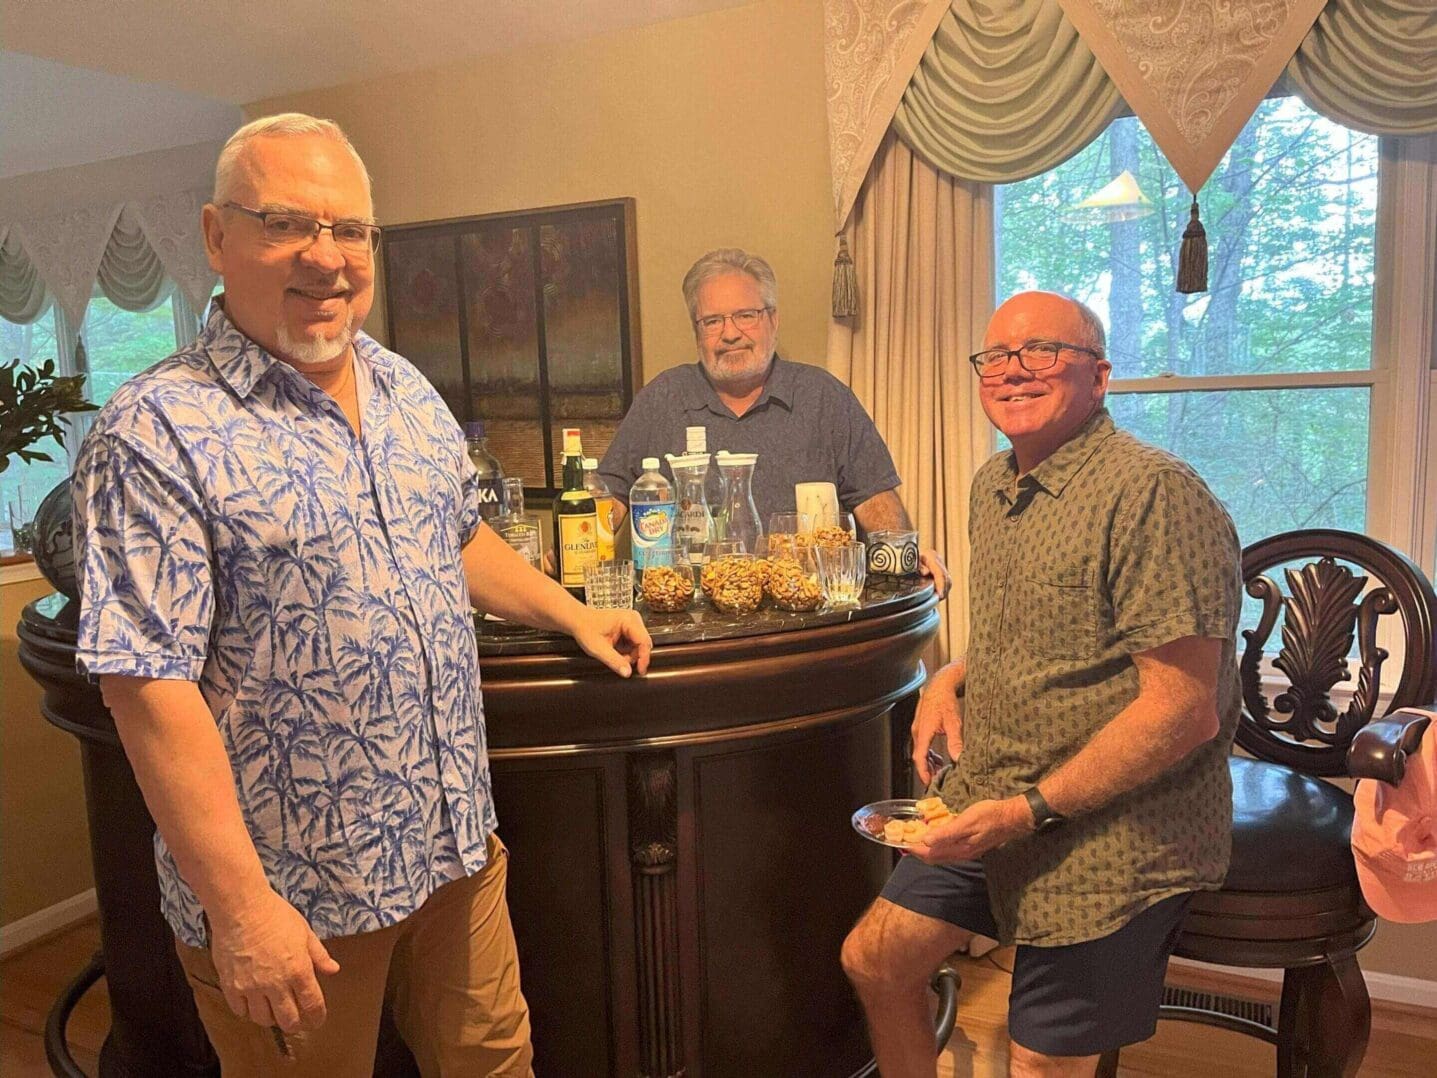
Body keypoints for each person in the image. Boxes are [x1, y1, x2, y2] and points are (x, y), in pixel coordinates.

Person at [71, 113, 652, 1077]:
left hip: (453, 854)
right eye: (286, 223)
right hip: (292, 898)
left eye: (349, 229)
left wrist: (573, 612)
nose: (325, 256)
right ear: (217, 235)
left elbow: (456, 536)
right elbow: (145, 686)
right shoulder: (155, 429)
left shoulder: (401, 387)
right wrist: (242, 912)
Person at [841, 291, 1242, 1077]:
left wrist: (1023, 811)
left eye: (1042, 352)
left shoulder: (1153, 493)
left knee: (1038, 1062)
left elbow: (1183, 709)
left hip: (1113, 826)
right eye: (995, 356)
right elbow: (1035, 633)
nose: (1013, 370)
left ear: (1099, 376)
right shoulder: (992, 485)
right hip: (991, 795)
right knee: (874, 961)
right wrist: (945, 680)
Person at [597, 247, 950, 596]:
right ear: (697, 331)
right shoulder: (662, 398)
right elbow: (607, 499)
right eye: (713, 321)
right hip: (692, 613)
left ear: (773, 320)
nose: (730, 333)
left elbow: (875, 499)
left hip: (809, 611)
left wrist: (903, 555)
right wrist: (579, 550)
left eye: (745, 315)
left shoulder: (823, 396)